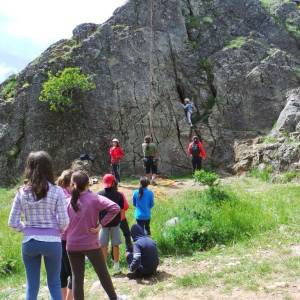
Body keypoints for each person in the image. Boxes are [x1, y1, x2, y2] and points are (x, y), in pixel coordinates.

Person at [8, 151, 69, 300]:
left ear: (29, 167)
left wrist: (26, 229)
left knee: (32, 285)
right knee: (54, 283)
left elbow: (12, 222)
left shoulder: (21, 192)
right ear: (49, 168)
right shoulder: (57, 191)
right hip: (53, 244)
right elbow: (64, 221)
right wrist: (58, 231)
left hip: (30, 243)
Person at [66, 171, 126, 300]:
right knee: (102, 273)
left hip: (72, 245)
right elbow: (115, 208)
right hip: (91, 244)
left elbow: (61, 223)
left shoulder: (67, 201)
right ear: (88, 184)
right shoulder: (94, 198)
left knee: (76, 277)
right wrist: (101, 225)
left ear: (72, 184)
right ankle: (114, 298)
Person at [98, 174, 124, 273]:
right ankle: (116, 266)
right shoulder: (119, 195)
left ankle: (104, 268)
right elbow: (121, 210)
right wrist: (120, 221)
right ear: (114, 182)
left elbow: (97, 210)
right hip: (115, 224)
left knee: (103, 246)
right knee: (115, 245)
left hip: (103, 225)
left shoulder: (99, 194)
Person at [57, 169, 74, 300]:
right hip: (67, 239)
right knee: (74, 274)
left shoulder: (57, 192)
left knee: (62, 273)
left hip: (56, 239)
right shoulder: (68, 197)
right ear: (71, 183)